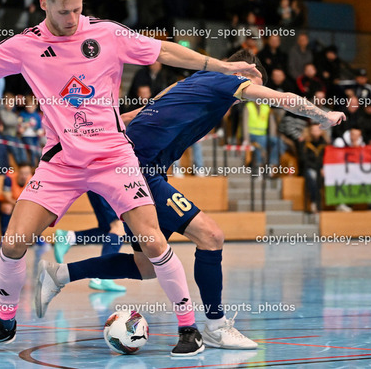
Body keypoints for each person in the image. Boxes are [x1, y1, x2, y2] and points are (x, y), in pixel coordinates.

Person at [0, 0, 263, 357]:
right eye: (64, 11)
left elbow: (166, 51)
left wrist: (223, 66)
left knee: (153, 241)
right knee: (13, 242)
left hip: (113, 157)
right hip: (62, 162)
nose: (73, 18)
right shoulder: (25, 45)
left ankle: (188, 328)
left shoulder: (107, 33)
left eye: (77, 8)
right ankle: (5, 323)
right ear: (44, 4)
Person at [45, 49, 345, 349]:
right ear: (243, 71)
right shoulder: (229, 81)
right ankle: (215, 326)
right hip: (139, 170)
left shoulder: (188, 82)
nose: (248, 96)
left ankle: (60, 274)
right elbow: (286, 99)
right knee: (210, 236)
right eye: (252, 85)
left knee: (146, 266)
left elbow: (135, 115)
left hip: (136, 168)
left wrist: (82, 137)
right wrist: (325, 116)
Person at [0, 162, 32, 237]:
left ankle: (37, 237)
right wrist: (20, 205)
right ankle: (4, 237)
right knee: (7, 207)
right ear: (18, 171)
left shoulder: (32, 181)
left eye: (26, 173)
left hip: (21, 204)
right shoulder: (9, 179)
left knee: (34, 210)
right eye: (22, 173)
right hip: (4, 203)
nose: (24, 176)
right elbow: (7, 197)